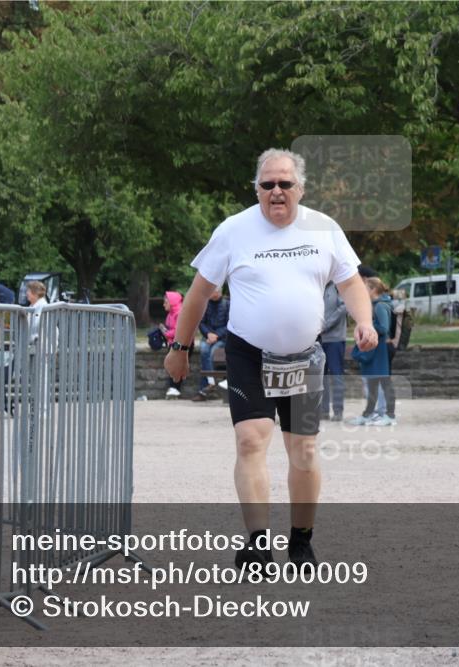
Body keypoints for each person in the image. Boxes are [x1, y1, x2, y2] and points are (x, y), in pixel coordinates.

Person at [164, 148, 376, 571]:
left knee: (304, 452)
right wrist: (180, 349)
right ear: (257, 189)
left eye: (285, 183)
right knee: (250, 440)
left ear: (300, 187)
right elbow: (197, 295)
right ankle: (257, 542)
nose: (276, 191)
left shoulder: (324, 228)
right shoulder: (233, 230)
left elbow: (351, 283)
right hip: (249, 353)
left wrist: (364, 322)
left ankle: (301, 540)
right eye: (267, 184)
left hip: (301, 356)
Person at [348, 277, 396, 426]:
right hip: (376, 349)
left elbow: (383, 328)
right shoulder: (376, 305)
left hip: (379, 349)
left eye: (365, 288)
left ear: (373, 290)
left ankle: (388, 414)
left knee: (381, 382)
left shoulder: (380, 306)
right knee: (373, 382)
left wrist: (367, 325)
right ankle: (370, 413)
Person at [192, 287, 230, 401]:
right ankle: (211, 382)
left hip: (222, 338)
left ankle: (206, 387)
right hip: (208, 338)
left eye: (212, 290)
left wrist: (216, 335)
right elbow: (201, 322)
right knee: (204, 349)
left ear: (219, 291)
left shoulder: (227, 304)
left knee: (213, 353)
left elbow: (229, 324)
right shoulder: (205, 304)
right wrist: (208, 334)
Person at [319, 281, 347, 421]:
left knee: (336, 375)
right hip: (317, 339)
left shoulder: (337, 285)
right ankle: (323, 411)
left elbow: (343, 307)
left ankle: (338, 411)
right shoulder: (317, 284)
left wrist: (326, 325)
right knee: (320, 376)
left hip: (335, 339)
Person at [162, 291, 185, 398]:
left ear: (172, 302)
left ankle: (175, 388)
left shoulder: (179, 312)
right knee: (172, 364)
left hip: (181, 343)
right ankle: (173, 387)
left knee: (176, 364)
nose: (163, 304)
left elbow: (178, 331)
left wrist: (165, 333)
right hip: (173, 343)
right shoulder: (170, 314)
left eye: (165, 302)